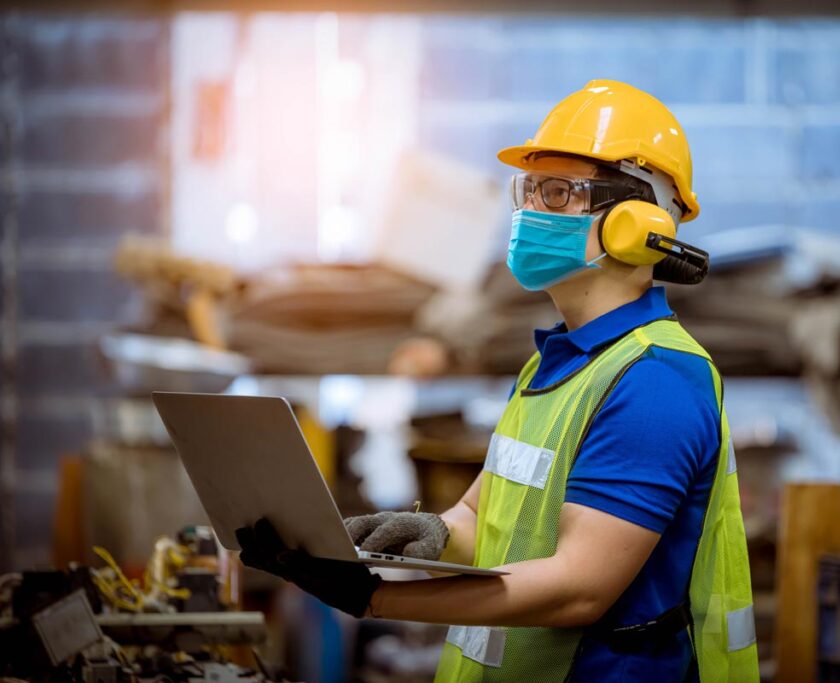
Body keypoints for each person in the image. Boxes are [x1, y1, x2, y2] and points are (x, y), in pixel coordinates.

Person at [236, 80, 758, 682]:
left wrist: (374, 598)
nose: (529, 212)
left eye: (559, 193)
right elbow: (484, 519)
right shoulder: (554, 363)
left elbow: (577, 589)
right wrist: (422, 534)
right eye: (528, 190)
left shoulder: (655, 381)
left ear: (637, 226)